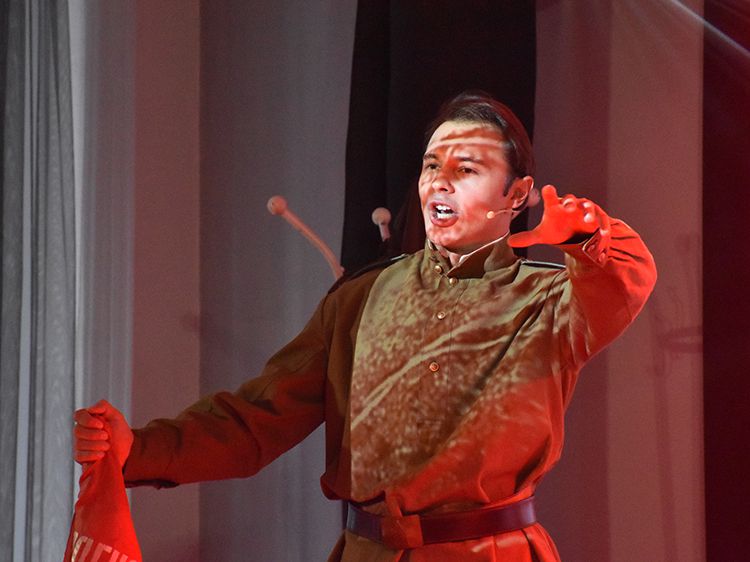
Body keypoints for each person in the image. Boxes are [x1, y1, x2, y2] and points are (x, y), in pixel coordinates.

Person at [74, 92, 657, 561]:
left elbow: (624, 280)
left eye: (466, 168)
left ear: (519, 193)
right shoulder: (362, 297)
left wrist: (589, 237)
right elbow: (258, 419)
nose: (440, 182)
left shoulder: (549, 300)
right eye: (432, 166)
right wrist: (139, 450)